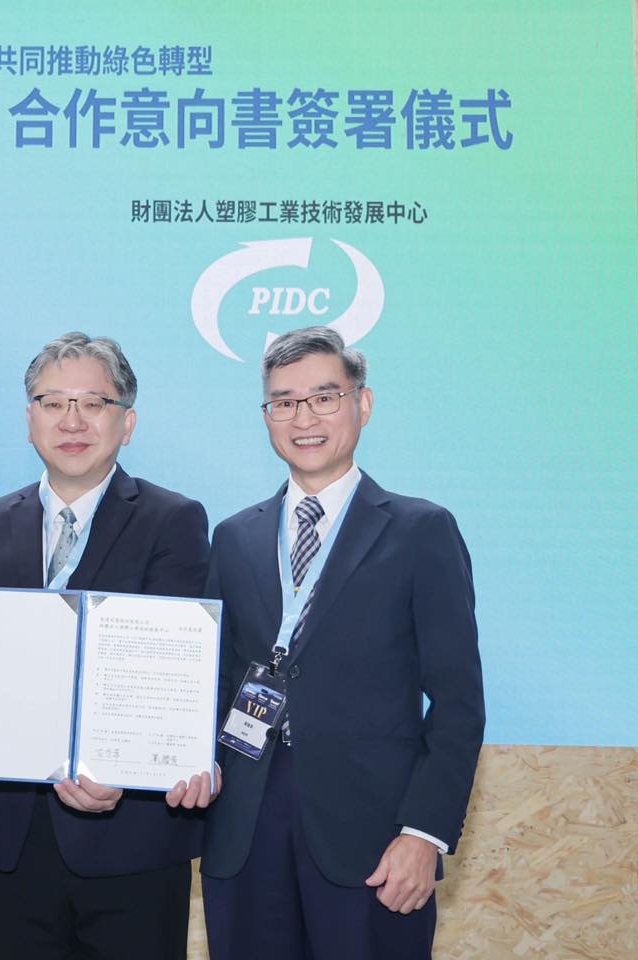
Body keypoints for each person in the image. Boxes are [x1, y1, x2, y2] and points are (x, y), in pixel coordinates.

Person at [200, 326, 485, 960]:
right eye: (284, 402)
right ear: (267, 415)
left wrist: (425, 833)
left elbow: (459, 703)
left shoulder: (421, 531)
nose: (304, 419)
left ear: (363, 403)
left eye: (324, 397)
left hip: (374, 838)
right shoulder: (234, 537)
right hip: (245, 830)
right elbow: (213, 684)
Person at [0, 332, 215, 960]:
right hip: (11, 831)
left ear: (127, 423)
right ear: (29, 418)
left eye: (93, 403)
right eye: (53, 402)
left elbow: (172, 671)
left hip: (131, 837)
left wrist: (125, 770)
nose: (72, 421)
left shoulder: (172, 520)